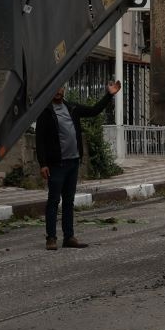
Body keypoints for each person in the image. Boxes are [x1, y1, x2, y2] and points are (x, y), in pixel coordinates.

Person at [36, 80, 121, 251]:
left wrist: (109, 95)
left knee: (69, 201)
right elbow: (40, 140)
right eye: (54, 88)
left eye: (60, 87)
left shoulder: (72, 108)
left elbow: (94, 111)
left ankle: (69, 237)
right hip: (56, 165)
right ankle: (51, 238)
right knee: (53, 201)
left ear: (64, 89)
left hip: (73, 163)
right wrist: (43, 164)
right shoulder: (45, 111)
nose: (58, 91)